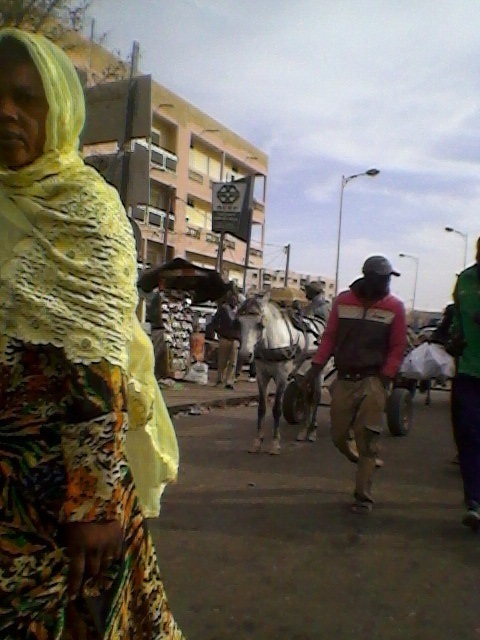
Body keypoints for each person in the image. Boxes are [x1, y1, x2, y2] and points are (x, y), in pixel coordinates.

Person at [0, 29, 184, 639]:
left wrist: (93, 502)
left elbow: (96, 368)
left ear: (61, 112)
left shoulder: (87, 209)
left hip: (54, 490)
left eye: (28, 99)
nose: (7, 111)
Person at [306, 255, 407, 513]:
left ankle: (363, 495)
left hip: (373, 380)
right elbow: (329, 338)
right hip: (345, 380)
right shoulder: (343, 301)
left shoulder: (394, 307)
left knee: (369, 438)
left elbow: (397, 347)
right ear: (368, 278)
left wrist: (386, 376)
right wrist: (316, 366)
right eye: (384, 279)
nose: (387, 284)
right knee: (339, 436)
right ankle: (360, 457)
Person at [449, 236, 480, 531]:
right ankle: (474, 502)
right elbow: (457, 314)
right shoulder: (465, 280)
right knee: (469, 435)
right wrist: (455, 335)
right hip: (469, 370)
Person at [212, 289, 241, 389]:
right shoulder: (223, 309)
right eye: (232, 298)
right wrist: (219, 332)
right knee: (222, 361)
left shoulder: (239, 312)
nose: (234, 301)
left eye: (235, 299)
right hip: (224, 338)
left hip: (235, 340)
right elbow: (214, 322)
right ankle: (220, 379)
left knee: (233, 362)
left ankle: (229, 382)